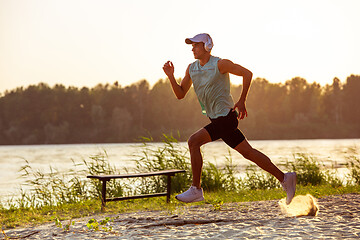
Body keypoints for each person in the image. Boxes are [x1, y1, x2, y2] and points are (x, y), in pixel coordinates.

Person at [162, 33, 296, 205]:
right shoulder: (191, 68)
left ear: (207, 46)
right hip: (216, 120)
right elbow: (180, 94)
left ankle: (196, 189)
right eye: (192, 45)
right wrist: (171, 76)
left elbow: (247, 74)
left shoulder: (220, 64)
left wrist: (242, 100)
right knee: (248, 153)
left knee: (193, 142)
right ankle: (285, 178)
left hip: (226, 118)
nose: (192, 48)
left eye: (196, 45)